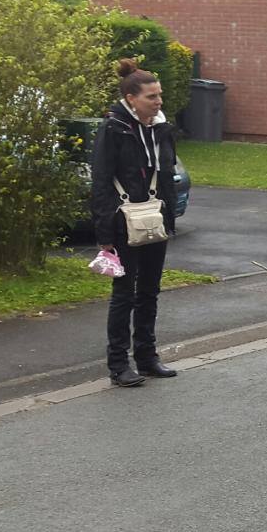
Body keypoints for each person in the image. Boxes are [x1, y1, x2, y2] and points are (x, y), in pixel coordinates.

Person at [90, 59, 180, 388]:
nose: (158, 102)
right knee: (124, 293)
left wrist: (169, 216)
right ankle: (118, 364)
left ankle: (147, 356)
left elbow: (167, 172)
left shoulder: (161, 128)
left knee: (150, 291)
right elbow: (101, 180)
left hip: (154, 217)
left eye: (159, 96)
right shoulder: (113, 127)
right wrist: (104, 234)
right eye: (151, 97)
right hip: (122, 220)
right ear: (131, 98)